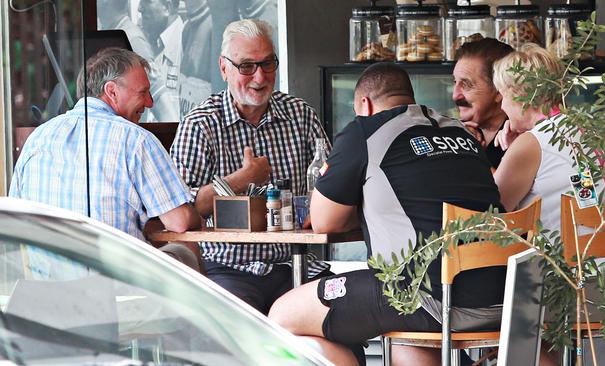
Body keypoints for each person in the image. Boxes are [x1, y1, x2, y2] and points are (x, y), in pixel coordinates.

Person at [268, 62, 506, 366]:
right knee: (403, 338)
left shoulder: (365, 130)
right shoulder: (460, 132)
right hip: (502, 295)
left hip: (427, 297)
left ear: (364, 105)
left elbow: (325, 220)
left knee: (281, 316)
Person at [170, 19, 331, 314]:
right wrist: (240, 179)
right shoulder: (201, 124)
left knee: (342, 320)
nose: (260, 76)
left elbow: (330, 186)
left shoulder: (301, 114)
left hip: (295, 262)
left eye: (268, 63)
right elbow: (180, 210)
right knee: (242, 337)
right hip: (228, 267)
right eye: (246, 66)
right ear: (224, 68)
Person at [10, 47, 202, 266]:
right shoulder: (136, 140)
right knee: (186, 250)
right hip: (115, 284)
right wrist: (198, 212)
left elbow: (17, 215)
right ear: (111, 91)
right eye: (143, 92)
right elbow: (180, 222)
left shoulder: (39, 137)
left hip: (45, 282)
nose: (150, 102)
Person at [491, 43, 605, 233]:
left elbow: (492, 215)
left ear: (521, 96)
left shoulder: (532, 143)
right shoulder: (590, 129)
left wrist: (501, 155)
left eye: (502, 95)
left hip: (576, 261)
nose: (502, 106)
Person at [453, 38, 514, 168]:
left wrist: (473, 152)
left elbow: (504, 188)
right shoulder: (454, 135)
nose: (455, 95)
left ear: (499, 91)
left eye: (467, 84)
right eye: (455, 82)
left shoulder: (519, 138)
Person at [138, 0, 184, 122]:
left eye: (147, 2)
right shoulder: (146, 42)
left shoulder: (187, 45)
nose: (139, 8)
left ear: (167, 7)